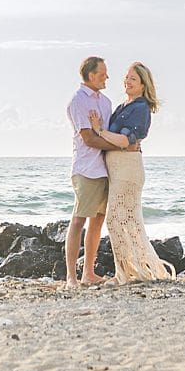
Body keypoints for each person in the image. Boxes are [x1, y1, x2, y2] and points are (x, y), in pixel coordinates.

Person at [85, 62, 174, 284]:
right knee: (125, 221)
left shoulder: (141, 108)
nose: (127, 81)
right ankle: (132, 270)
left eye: (133, 78)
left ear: (144, 84)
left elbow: (125, 141)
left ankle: (127, 272)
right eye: (126, 77)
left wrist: (99, 131)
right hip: (117, 170)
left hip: (128, 170)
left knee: (117, 219)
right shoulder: (124, 106)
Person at [64, 55, 113, 288]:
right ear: (91, 75)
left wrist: (104, 135)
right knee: (78, 220)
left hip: (105, 169)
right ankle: (71, 277)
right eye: (103, 73)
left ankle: (88, 274)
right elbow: (89, 139)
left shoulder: (105, 102)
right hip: (86, 169)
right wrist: (120, 144)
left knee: (98, 222)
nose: (107, 77)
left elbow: (102, 134)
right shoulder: (78, 101)